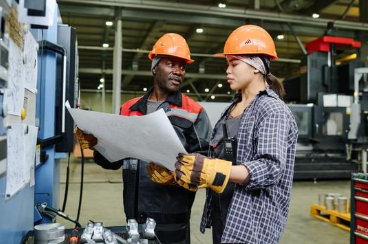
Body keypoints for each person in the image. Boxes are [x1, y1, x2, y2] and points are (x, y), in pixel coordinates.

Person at [75, 33, 212, 244]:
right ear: (155, 67)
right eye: (171, 64)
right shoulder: (129, 109)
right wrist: (98, 145)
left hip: (172, 219)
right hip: (133, 215)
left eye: (183, 67)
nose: (178, 71)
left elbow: (206, 166)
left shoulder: (194, 112)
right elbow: (112, 161)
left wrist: (177, 174)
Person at [174, 25, 298, 244]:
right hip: (225, 214)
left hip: (253, 222)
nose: (227, 71)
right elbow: (220, 158)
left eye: (234, 64)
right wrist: (188, 169)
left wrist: (215, 169)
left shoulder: (272, 109)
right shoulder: (230, 110)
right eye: (227, 65)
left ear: (256, 66)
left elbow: (270, 168)